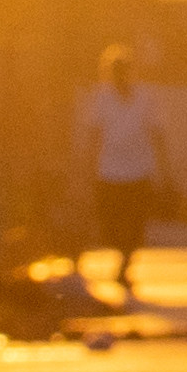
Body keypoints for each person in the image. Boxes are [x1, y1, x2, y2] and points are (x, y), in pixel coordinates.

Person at [73, 44, 174, 306]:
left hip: (140, 170)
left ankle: (125, 266)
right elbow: (94, 135)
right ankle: (121, 258)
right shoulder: (101, 98)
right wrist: (86, 169)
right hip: (109, 171)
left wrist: (166, 171)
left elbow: (157, 134)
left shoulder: (146, 97)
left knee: (136, 224)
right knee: (113, 224)